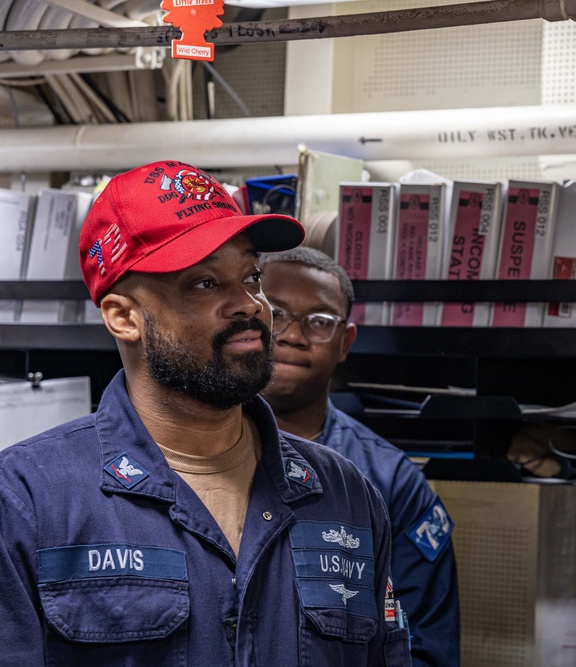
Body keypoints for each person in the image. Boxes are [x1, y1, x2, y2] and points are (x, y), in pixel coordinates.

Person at [0, 160, 410, 666]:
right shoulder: (28, 501)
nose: (249, 304)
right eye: (203, 284)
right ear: (125, 317)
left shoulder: (345, 495)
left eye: (250, 276)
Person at [259, 246, 460, 667]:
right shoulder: (193, 455)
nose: (293, 334)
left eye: (319, 321)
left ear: (345, 342)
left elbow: (423, 647)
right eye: (275, 313)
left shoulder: (391, 482)